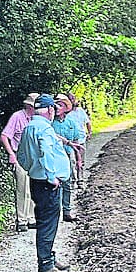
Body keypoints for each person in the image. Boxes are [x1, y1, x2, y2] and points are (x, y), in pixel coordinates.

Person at [17, 93, 71, 272]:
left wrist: (31, 169)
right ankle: (46, 265)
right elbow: (47, 153)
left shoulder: (28, 128)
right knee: (48, 223)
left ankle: (49, 257)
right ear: (49, 110)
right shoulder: (45, 130)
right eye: (54, 110)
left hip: (36, 180)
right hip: (48, 184)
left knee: (43, 221)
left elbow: (21, 156)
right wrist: (52, 177)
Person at [0, 92, 39, 232]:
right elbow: (5, 136)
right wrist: (11, 154)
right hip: (20, 156)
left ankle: (31, 218)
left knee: (32, 188)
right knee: (22, 189)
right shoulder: (17, 117)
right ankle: (21, 220)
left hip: (34, 158)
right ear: (30, 106)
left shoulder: (36, 119)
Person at [52, 94, 81, 222]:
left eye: (61, 105)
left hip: (67, 156)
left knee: (67, 184)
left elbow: (76, 142)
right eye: (56, 105)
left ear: (66, 107)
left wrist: (78, 160)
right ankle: (54, 212)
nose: (58, 107)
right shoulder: (50, 122)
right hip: (53, 157)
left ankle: (67, 211)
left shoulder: (71, 123)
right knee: (53, 184)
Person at [66, 92, 92, 185]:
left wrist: (89, 132)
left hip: (81, 139)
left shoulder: (80, 111)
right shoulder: (65, 114)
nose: (72, 101)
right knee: (72, 161)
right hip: (70, 141)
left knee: (80, 161)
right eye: (69, 99)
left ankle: (80, 179)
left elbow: (88, 122)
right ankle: (73, 179)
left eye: (72, 98)